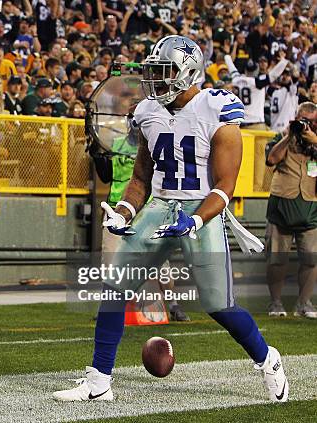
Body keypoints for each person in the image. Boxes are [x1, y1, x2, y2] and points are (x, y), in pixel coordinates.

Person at [53, 36, 288, 403]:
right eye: (154, 71)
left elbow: (226, 187)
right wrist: (124, 211)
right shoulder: (148, 111)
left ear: (188, 72)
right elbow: (140, 179)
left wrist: (194, 222)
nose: (155, 79)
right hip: (161, 206)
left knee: (219, 304)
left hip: (202, 208)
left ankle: (267, 359)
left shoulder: (218, 108)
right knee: (115, 288)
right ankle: (99, 381)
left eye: (164, 71)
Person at [265, 102, 317, 318]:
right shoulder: (282, 137)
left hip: (311, 207)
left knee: (311, 259)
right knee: (277, 259)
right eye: (302, 120)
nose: (305, 124)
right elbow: (271, 159)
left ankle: (304, 302)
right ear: (295, 117)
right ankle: (275, 303)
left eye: (310, 121)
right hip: (282, 206)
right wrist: (288, 136)